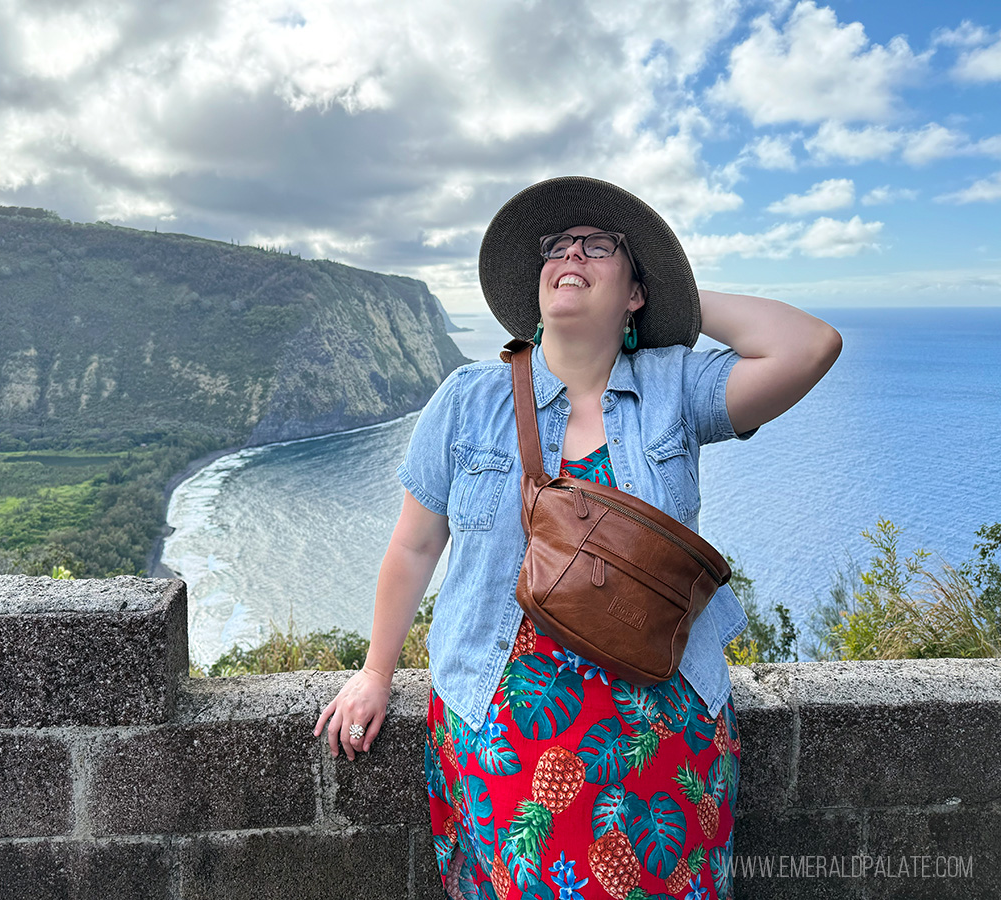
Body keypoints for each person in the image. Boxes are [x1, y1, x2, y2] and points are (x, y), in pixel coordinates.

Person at [314, 177, 841, 899]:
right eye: (557, 246)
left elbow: (810, 346)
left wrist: (678, 295)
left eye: (599, 247)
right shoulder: (468, 400)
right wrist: (375, 672)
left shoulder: (674, 390)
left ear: (635, 292)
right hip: (506, 730)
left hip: (661, 727)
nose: (572, 253)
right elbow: (414, 546)